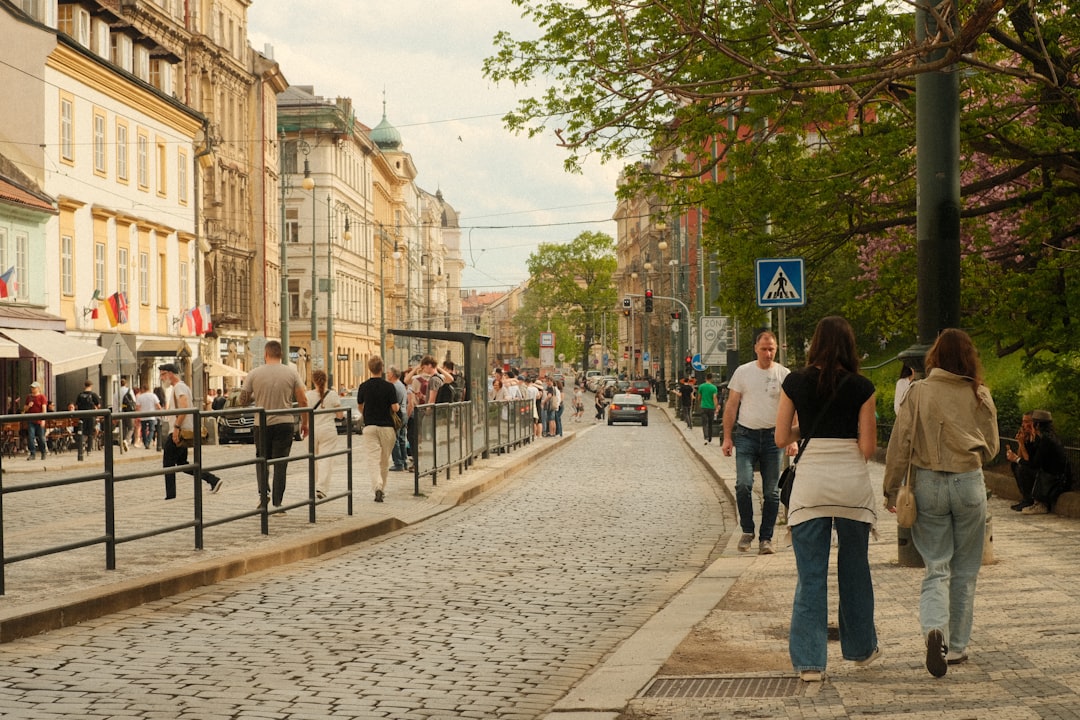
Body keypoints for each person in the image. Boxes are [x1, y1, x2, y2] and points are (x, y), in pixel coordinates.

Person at [883, 328, 999, 677]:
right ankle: (959, 647)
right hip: (968, 483)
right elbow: (992, 448)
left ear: (933, 356)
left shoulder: (917, 392)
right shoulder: (979, 393)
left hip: (928, 482)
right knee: (965, 571)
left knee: (937, 566)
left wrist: (891, 488)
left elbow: (901, 443)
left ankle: (935, 629)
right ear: (969, 358)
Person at [775, 316, 880, 681]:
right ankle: (861, 649)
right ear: (849, 345)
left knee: (811, 576)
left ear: (815, 344)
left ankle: (809, 663)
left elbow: (779, 438)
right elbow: (867, 447)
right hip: (852, 487)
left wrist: (810, 427)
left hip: (811, 487)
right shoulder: (863, 387)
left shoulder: (793, 382)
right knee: (855, 571)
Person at [722, 330, 794, 554]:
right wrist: (727, 437)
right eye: (764, 349)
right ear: (756, 349)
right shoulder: (743, 372)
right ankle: (747, 530)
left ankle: (766, 538)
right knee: (743, 484)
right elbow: (732, 405)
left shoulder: (784, 374)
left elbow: (794, 407)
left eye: (771, 348)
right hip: (746, 435)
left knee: (772, 492)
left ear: (777, 348)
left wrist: (793, 439)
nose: (768, 353)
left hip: (774, 438)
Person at [239, 341, 308, 513]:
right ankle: (278, 503)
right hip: (284, 423)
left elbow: (243, 400)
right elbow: (303, 400)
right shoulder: (292, 373)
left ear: (266, 354)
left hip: (261, 424)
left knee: (262, 460)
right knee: (280, 463)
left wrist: (256, 394)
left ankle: (264, 495)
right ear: (281, 355)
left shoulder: (254, 373)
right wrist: (305, 423)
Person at [159, 363, 225, 499]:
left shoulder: (179, 387)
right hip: (183, 429)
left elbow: (184, 407)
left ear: (170, 374)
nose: (161, 377)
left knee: (168, 463)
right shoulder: (181, 387)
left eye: (163, 374)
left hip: (179, 431)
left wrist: (176, 428)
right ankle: (213, 480)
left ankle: (170, 495)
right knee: (182, 464)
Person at [356, 355, 400, 502]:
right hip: (387, 427)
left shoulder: (363, 386)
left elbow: (360, 406)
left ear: (370, 369)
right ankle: (382, 488)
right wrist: (397, 406)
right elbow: (394, 407)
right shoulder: (389, 386)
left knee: (372, 459)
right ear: (381, 369)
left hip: (370, 427)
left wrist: (367, 412)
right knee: (384, 460)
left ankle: (377, 486)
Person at [1018, 410, 1069, 515]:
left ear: (1037, 424)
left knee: (1024, 468)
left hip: (1055, 479)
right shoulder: (1046, 437)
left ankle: (1040, 503)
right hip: (1055, 475)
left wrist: (1017, 459)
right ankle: (1033, 500)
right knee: (1021, 467)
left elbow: (1034, 463)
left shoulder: (1046, 439)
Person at [305, 369, 342, 501]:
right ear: (326, 380)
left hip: (312, 430)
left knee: (312, 459)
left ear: (313, 381)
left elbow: (304, 414)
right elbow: (340, 415)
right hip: (328, 430)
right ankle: (321, 487)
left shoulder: (308, 395)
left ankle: (313, 486)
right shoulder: (332, 395)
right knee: (326, 459)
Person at [1005, 412, 1037, 511]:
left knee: (1023, 468)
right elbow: (1020, 457)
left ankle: (1029, 499)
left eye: (1027, 422)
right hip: (1030, 466)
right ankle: (1025, 497)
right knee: (1015, 465)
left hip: (1039, 470)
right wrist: (1020, 442)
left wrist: (1022, 445)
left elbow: (1027, 461)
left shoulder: (1037, 439)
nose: (1024, 425)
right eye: (1023, 422)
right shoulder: (1027, 436)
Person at [386, 366, 410, 472]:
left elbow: (393, 404)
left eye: (388, 373)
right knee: (402, 439)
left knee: (394, 439)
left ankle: (398, 463)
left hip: (397, 415)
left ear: (392, 374)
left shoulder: (394, 386)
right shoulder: (401, 385)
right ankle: (404, 461)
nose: (387, 374)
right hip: (403, 413)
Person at [74, 380, 101, 456]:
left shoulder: (80, 395)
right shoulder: (93, 395)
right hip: (91, 416)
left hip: (82, 415)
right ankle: (89, 450)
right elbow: (98, 405)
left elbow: (76, 406)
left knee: (82, 432)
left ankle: (82, 446)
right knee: (90, 433)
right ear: (91, 386)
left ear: (84, 386)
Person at [24, 381, 48, 461]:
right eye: (31, 388)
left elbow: (44, 409)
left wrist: (43, 419)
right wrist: (28, 406)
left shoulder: (42, 397)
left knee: (41, 437)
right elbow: (24, 409)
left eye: (34, 388)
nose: (32, 389)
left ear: (38, 388)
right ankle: (32, 453)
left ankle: (43, 452)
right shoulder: (29, 397)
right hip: (31, 420)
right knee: (31, 437)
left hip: (39, 420)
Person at [698, 372, 719, 445]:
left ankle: (706, 437)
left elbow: (699, 397)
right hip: (711, 407)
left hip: (703, 406)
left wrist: (700, 402)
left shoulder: (701, 386)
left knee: (704, 423)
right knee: (710, 423)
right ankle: (710, 438)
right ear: (711, 379)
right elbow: (714, 398)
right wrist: (716, 406)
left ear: (705, 378)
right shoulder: (714, 387)